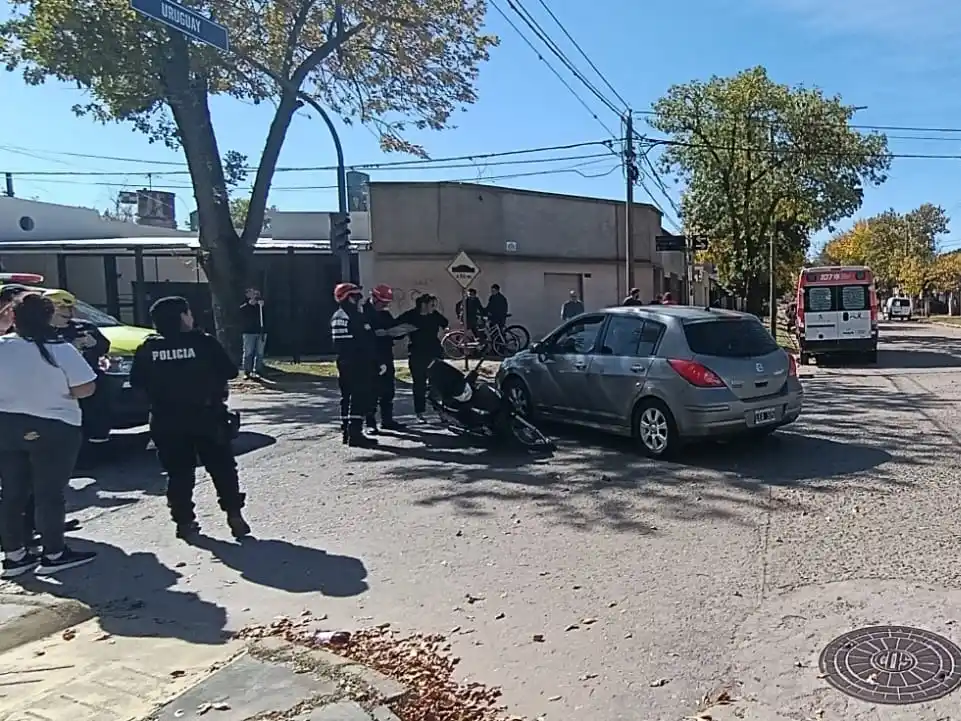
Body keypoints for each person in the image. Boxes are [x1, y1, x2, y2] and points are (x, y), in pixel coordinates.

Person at [128, 296, 250, 540]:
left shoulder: (148, 348)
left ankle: (184, 522)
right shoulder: (203, 343)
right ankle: (234, 515)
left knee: (178, 473)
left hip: (166, 419)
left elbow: (136, 383)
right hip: (206, 416)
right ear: (183, 316)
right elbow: (230, 371)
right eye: (189, 313)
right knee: (222, 468)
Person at [0, 293, 98, 577]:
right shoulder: (60, 349)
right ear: (46, 317)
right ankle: (53, 553)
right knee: (49, 493)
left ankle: (15, 556)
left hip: (6, 427)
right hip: (54, 427)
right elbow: (85, 388)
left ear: (14, 318)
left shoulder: (2, 347)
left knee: (12, 493)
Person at [44, 291, 112, 445]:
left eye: (70, 308)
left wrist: (95, 344)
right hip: (58, 384)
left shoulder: (85, 326)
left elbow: (104, 346)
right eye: (62, 307)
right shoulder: (42, 331)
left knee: (94, 416)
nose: (68, 312)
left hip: (89, 380)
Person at [330, 283, 379, 448]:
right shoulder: (352, 316)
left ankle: (347, 431)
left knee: (347, 397)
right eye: (356, 296)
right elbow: (363, 341)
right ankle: (355, 433)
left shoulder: (339, 315)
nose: (359, 300)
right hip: (357, 362)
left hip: (344, 361)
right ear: (348, 297)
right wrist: (372, 361)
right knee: (359, 396)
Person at [397, 294, 448, 423]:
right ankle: (420, 413)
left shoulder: (434, 315)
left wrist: (445, 329)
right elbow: (396, 326)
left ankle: (441, 412)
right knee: (419, 384)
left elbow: (444, 322)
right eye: (431, 305)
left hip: (434, 353)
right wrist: (405, 330)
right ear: (423, 305)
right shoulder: (411, 315)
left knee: (437, 384)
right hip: (417, 354)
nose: (434, 307)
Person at [362, 284, 404, 433]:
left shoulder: (384, 314)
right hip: (371, 356)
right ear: (374, 298)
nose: (385, 306)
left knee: (388, 389)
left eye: (386, 303)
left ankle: (387, 420)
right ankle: (370, 423)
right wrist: (375, 334)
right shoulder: (363, 313)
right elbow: (362, 336)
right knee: (372, 390)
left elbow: (394, 328)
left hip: (386, 354)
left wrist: (398, 331)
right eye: (382, 303)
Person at [240, 288, 267, 379]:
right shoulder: (244, 304)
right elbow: (241, 312)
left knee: (259, 352)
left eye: (255, 293)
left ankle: (258, 369)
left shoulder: (261, 304)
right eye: (251, 293)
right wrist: (249, 305)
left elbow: (267, 315)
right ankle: (247, 371)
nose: (254, 295)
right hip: (248, 332)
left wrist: (263, 307)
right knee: (248, 352)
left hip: (261, 331)